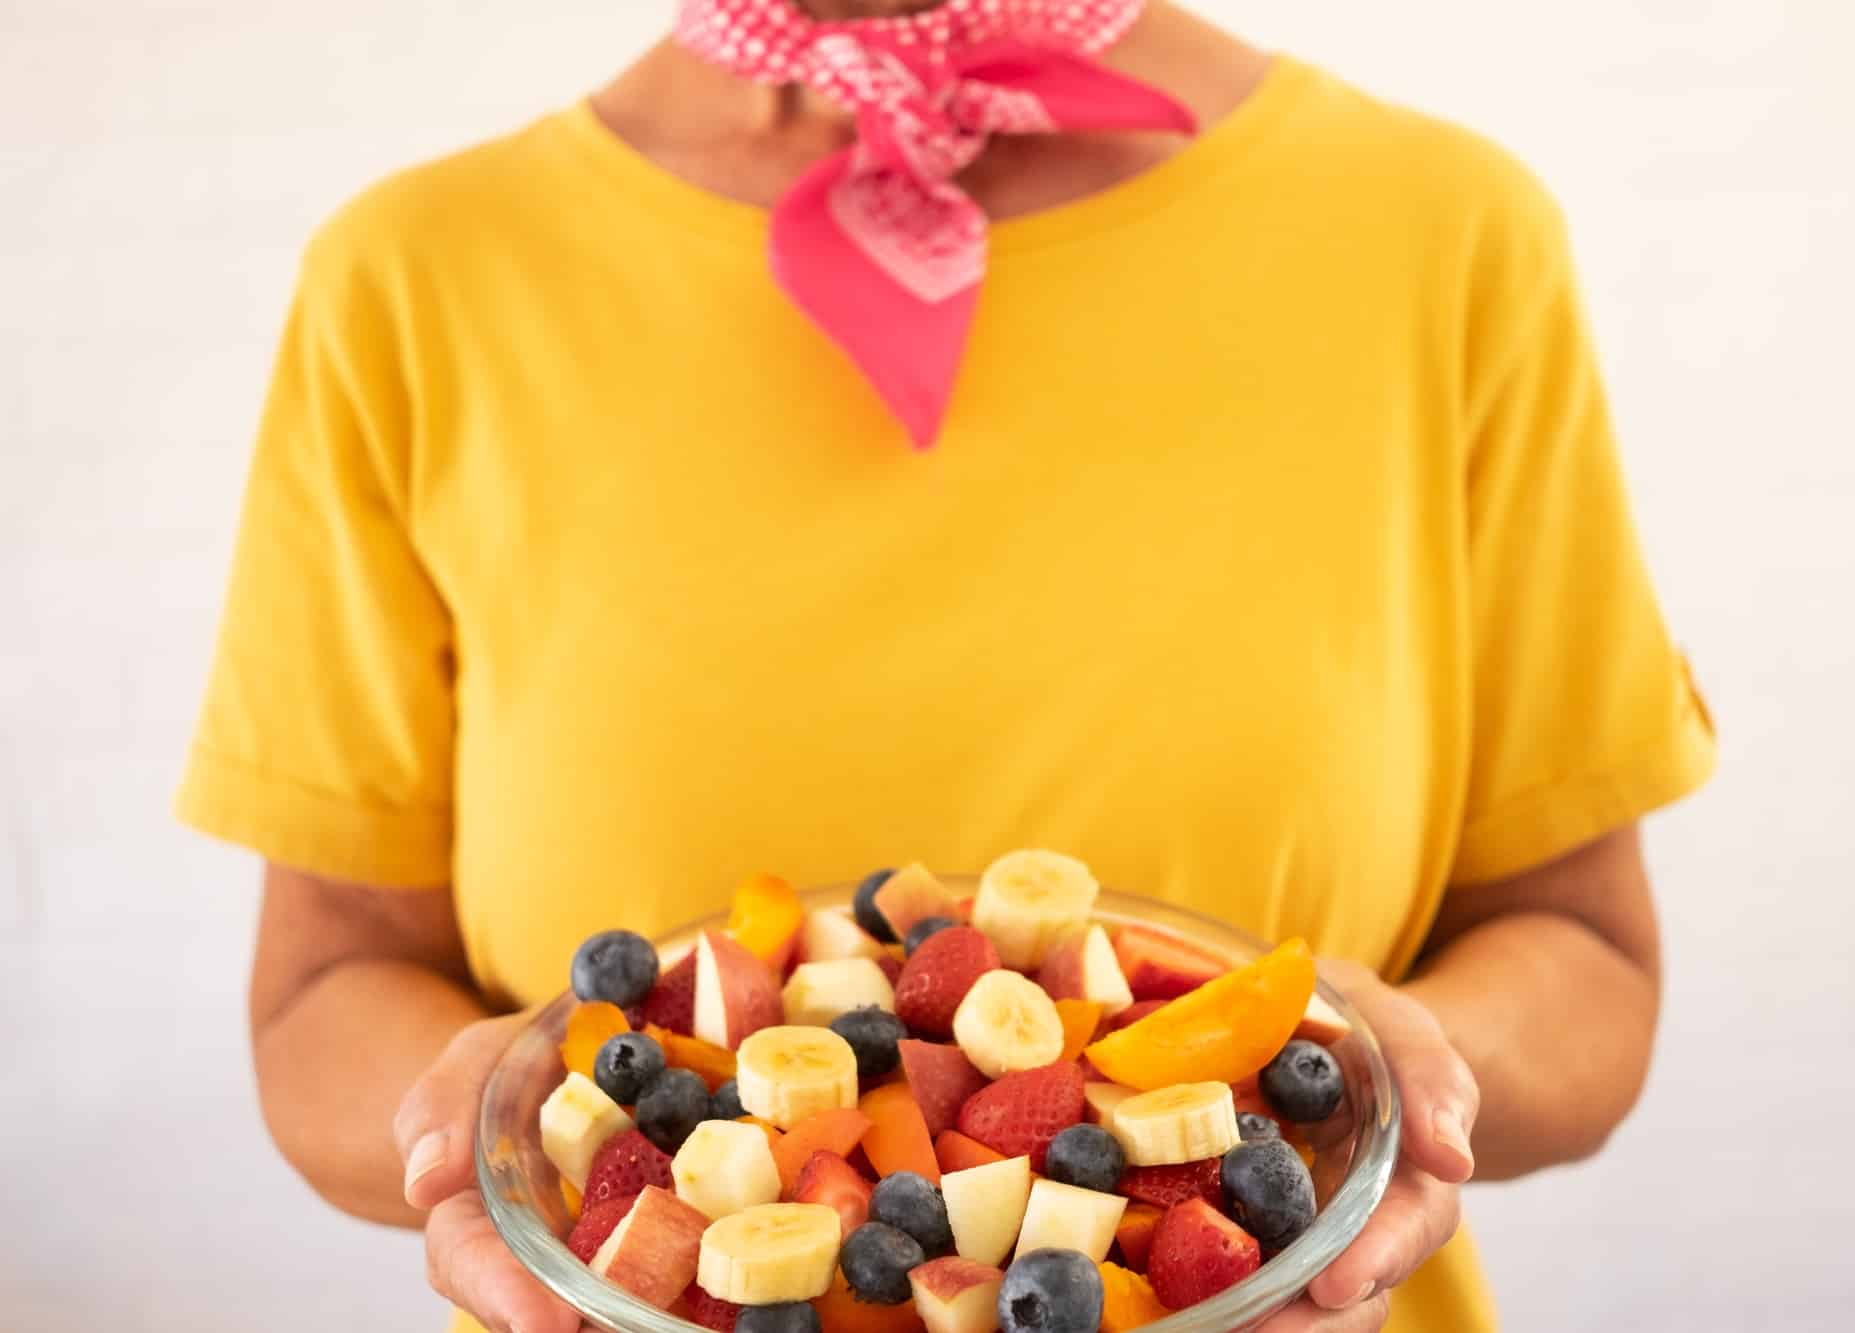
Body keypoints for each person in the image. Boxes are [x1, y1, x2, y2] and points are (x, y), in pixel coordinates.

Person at [178, 1, 1715, 1330]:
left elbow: (1584, 963)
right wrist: (494, 1129)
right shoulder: (416, 281)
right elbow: (321, 990)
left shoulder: (1439, 236)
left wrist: (1399, 1085)